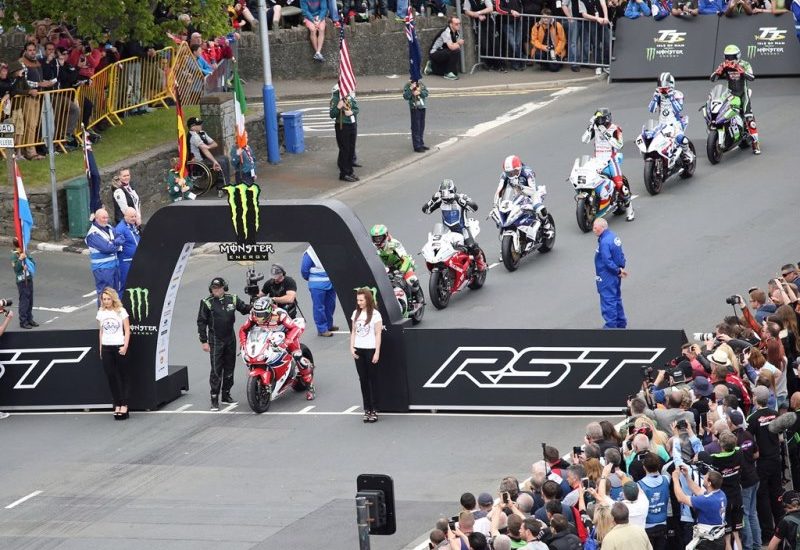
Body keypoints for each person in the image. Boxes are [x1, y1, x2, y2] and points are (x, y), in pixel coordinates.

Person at [239, 296, 315, 399]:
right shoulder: (253, 315)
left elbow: (294, 328)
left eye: (262, 314)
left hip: (286, 336)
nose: (259, 317)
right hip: (267, 337)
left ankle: (310, 386)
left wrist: (287, 342)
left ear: (269, 310)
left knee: (297, 356)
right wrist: (243, 343)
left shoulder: (279, 314)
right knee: (255, 355)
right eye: (257, 314)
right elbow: (243, 329)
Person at [197, 277, 251, 411]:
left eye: (218, 288)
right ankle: (214, 398)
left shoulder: (232, 298)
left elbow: (245, 309)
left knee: (229, 367)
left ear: (224, 288)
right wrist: (204, 341)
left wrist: (256, 302)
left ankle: (226, 394)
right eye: (214, 288)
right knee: (216, 369)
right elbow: (201, 322)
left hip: (230, 338)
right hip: (215, 339)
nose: (216, 290)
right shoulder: (206, 302)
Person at [582, 107, 634, 221]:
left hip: (611, 160)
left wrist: (605, 133)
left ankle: (630, 210)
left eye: (600, 119)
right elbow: (584, 140)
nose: (599, 122)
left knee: (620, 185)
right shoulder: (595, 128)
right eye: (597, 119)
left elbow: (619, 145)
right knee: (588, 179)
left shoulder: (615, 129)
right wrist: (590, 126)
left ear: (606, 119)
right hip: (597, 160)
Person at [710, 45, 760, 155]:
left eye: (732, 57)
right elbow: (712, 79)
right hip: (730, 94)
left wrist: (740, 70)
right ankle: (724, 132)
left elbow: (752, 78)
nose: (729, 59)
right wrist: (718, 71)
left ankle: (755, 143)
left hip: (743, 94)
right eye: (727, 57)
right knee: (719, 110)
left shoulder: (745, 64)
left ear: (737, 56)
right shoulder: (724, 65)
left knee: (748, 116)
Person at [422, 179, 485, 263]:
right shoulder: (440, 201)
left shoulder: (461, 197)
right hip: (446, 232)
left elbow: (474, 207)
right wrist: (432, 200)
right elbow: (426, 210)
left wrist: (458, 198)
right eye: (442, 193)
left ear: (453, 191)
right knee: (437, 249)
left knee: (472, 246)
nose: (446, 197)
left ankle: (480, 262)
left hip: (462, 229)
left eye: (448, 193)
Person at [494, 155, 553, 235]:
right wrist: (496, 203)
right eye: (509, 173)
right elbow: (499, 189)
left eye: (514, 172)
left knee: (539, 208)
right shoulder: (504, 175)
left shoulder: (527, 172)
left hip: (531, 194)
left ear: (519, 168)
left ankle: (547, 225)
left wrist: (521, 187)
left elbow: (533, 190)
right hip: (515, 196)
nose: (512, 175)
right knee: (503, 211)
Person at [97, 287, 132, 420]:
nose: (106, 301)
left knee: (123, 376)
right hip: (106, 348)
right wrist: (100, 348)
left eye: (108, 299)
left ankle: (124, 404)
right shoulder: (101, 313)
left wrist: (125, 346)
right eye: (104, 299)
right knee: (111, 376)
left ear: (113, 299)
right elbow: (101, 331)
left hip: (119, 346)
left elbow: (127, 330)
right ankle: (117, 403)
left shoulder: (121, 311)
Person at [672, 467, 727, 549]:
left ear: (709, 483)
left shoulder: (707, 500)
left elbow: (681, 498)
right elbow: (698, 491)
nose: (703, 477)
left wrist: (675, 479)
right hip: (718, 538)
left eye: (705, 477)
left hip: (708, 541)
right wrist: (687, 476)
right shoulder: (720, 494)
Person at [350, 287, 383, 423]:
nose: (359, 302)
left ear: (368, 300)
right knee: (363, 380)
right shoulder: (355, 314)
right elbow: (353, 331)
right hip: (359, 350)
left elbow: (378, 333)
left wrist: (377, 352)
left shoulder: (375, 315)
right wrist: (351, 347)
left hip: (370, 350)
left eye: (361, 300)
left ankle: (374, 408)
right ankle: (367, 409)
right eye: (358, 300)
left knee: (372, 380)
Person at [369, 224, 424, 303]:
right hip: (385, 268)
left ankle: (418, 294)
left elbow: (406, 259)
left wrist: (401, 272)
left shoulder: (394, 243)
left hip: (401, 266)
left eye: (379, 238)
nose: (377, 241)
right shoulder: (371, 247)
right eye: (375, 238)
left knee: (411, 280)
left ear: (386, 235)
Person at [647, 72, 693, 164]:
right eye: (661, 86)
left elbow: (679, 109)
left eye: (665, 86)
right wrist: (655, 98)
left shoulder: (678, 94)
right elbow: (651, 110)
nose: (663, 88)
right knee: (650, 139)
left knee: (681, 139)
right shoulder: (658, 95)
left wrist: (671, 97)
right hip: (661, 124)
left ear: (671, 84)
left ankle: (687, 153)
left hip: (675, 124)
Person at [593, 218, 628, 329]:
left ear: (602, 227)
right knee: (616, 298)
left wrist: (617, 270)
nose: (593, 229)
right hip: (615, 275)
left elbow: (607, 261)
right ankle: (621, 323)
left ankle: (611, 328)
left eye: (595, 227)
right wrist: (620, 268)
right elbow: (620, 255)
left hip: (607, 276)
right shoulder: (613, 237)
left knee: (608, 301)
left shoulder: (604, 242)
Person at [85, 208, 124, 304]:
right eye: (103, 218)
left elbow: (121, 237)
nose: (106, 219)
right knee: (105, 294)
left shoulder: (109, 228)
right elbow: (107, 248)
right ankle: (104, 317)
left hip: (114, 266)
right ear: (97, 219)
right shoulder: (93, 234)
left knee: (114, 294)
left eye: (107, 217)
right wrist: (117, 245)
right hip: (102, 269)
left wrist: (113, 243)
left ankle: (113, 316)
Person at [300, 245, 339, 337]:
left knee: (330, 305)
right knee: (319, 307)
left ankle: (329, 325)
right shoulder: (309, 253)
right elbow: (304, 270)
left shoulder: (329, 249)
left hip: (330, 282)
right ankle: (322, 329)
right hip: (317, 284)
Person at [187, 117, 227, 197]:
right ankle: (220, 188)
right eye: (199, 124)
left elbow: (215, 144)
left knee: (225, 158)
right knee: (220, 162)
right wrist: (214, 161)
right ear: (193, 127)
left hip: (205, 157)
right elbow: (204, 150)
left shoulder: (202, 133)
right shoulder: (193, 137)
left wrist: (208, 147)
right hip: (199, 161)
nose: (201, 125)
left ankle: (226, 183)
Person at [329, 84, 359, 182]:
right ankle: (344, 173)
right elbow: (332, 114)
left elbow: (356, 108)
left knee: (351, 149)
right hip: (342, 125)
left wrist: (352, 112)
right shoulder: (336, 97)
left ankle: (350, 171)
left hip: (352, 124)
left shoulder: (349, 96)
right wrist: (338, 107)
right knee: (344, 150)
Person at [12, 237, 37, 329]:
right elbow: (16, 269)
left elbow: (33, 262)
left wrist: (28, 263)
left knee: (30, 300)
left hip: (29, 278)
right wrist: (20, 261)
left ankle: (30, 319)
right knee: (24, 301)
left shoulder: (25, 252)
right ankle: (23, 321)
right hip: (22, 280)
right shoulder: (15, 255)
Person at [115, 207, 140, 295]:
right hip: (125, 262)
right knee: (124, 285)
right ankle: (120, 306)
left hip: (134, 261)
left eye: (135, 216)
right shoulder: (120, 228)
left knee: (133, 285)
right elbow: (117, 245)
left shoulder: (132, 225)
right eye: (131, 217)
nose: (134, 218)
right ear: (125, 216)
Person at [403, 79, 429, 153]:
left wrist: (420, 91)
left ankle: (421, 143)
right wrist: (411, 90)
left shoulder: (421, 84)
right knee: (416, 127)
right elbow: (405, 96)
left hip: (422, 107)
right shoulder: (408, 85)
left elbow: (426, 93)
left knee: (421, 126)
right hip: (414, 108)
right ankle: (417, 146)